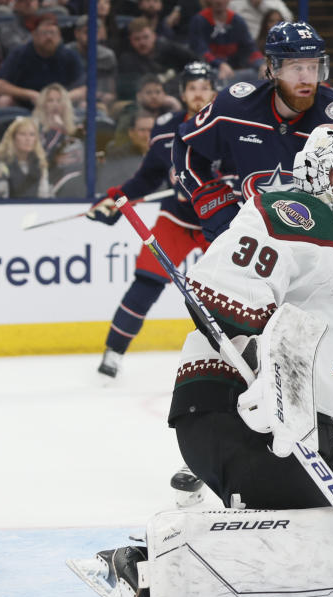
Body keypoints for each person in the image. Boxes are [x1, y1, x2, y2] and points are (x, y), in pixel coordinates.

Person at [68, 122, 333, 597]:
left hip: (293, 427)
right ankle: (141, 565)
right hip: (234, 412)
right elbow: (221, 291)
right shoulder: (294, 213)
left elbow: (326, 354)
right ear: (318, 175)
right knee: (316, 533)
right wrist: (269, 369)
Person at [172, 22, 333, 499]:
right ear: (273, 68)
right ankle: (225, 446)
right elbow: (187, 150)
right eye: (295, 66)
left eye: (313, 66)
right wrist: (215, 210)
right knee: (241, 328)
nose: (306, 77)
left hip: (332, 244)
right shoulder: (235, 107)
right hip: (267, 236)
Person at [87, 62, 218, 380]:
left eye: (204, 88)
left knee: (234, 289)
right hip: (177, 218)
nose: (198, 94)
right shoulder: (165, 130)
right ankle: (113, 352)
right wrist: (117, 200)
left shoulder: (228, 124)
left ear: (214, 91)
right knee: (147, 279)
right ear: (183, 93)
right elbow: (147, 178)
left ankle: (241, 354)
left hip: (220, 217)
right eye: (192, 88)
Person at [0, 15, 84, 108]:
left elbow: (83, 89)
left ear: (59, 36)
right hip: (25, 105)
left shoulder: (69, 55)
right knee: (4, 101)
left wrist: (64, 97)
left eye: (53, 33)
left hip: (61, 106)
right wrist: (29, 94)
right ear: (34, 35)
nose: (49, 37)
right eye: (44, 33)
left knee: (85, 104)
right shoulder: (20, 54)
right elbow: (0, 87)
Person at [117, 17, 196, 102]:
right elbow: (131, 91)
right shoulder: (127, 61)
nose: (142, 43)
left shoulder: (168, 48)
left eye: (145, 37)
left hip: (178, 96)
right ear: (131, 41)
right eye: (137, 39)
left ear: (154, 36)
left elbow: (197, 62)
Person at [187, 0, 265, 84]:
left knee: (259, 74)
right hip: (209, 72)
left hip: (235, 72)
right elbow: (200, 50)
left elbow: (250, 49)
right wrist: (220, 65)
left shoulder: (237, 21)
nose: (219, 1)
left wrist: (261, 64)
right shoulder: (199, 20)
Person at [31, 83, 85, 197]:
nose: (55, 104)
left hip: (74, 178)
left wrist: (64, 131)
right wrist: (56, 131)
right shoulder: (34, 128)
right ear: (43, 104)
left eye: (59, 100)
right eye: (50, 100)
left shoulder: (76, 129)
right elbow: (40, 159)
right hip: (46, 180)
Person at [0, 116, 50, 198]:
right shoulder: (1, 164)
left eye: (32, 134)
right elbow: (0, 200)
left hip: (35, 209)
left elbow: (44, 197)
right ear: (13, 138)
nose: (28, 139)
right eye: (22, 134)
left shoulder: (40, 163)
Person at [66, 15, 118, 116]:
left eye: (95, 32)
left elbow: (111, 93)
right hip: (69, 102)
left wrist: (97, 97)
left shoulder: (107, 56)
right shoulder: (66, 53)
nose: (91, 36)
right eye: (86, 32)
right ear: (77, 33)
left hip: (98, 103)